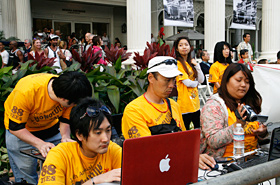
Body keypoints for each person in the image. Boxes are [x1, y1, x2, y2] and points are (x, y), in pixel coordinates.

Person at [122, 56, 215, 170]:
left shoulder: (174, 106)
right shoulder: (134, 110)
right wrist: (189, 156)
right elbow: (146, 151)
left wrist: (195, 156)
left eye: (173, 79)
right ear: (151, 78)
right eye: (167, 80)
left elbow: (184, 142)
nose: (172, 85)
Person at [4, 71, 92, 184]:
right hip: (21, 132)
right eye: (74, 104)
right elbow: (15, 127)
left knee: (61, 166)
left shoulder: (70, 91)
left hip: (51, 128)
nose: (74, 107)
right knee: (26, 175)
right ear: (64, 99)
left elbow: (65, 120)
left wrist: (64, 136)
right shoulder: (27, 92)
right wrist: (40, 144)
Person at [38, 98, 121, 185]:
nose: (106, 139)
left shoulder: (112, 150)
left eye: (108, 130)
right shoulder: (60, 155)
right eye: (98, 133)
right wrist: (93, 181)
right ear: (79, 135)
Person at [200, 63, 268, 158]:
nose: (243, 85)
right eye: (238, 80)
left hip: (253, 157)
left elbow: (261, 135)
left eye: (247, 82)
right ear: (226, 81)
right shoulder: (214, 105)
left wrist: (263, 132)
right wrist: (238, 124)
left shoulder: (250, 102)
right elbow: (213, 141)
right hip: (225, 162)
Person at [174, 37, 204, 129]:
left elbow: (201, 79)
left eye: (186, 45)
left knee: (198, 130)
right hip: (184, 105)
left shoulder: (191, 62)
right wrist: (196, 83)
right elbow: (187, 83)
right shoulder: (177, 64)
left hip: (195, 103)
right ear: (176, 49)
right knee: (185, 132)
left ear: (190, 47)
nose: (184, 47)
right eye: (180, 45)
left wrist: (197, 66)